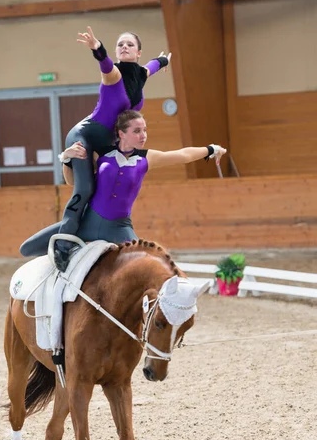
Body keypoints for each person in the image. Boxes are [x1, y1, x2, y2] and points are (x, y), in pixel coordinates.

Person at [20, 26, 171, 270]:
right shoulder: (114, 77)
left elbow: (153, 65)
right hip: (84, 135)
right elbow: (105, 64)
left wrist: (164, 61)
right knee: (86, 186)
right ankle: (64, 244)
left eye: (129, 44)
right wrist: (97, 47)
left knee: (109, 181)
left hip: (107, 141)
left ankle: (96, 226)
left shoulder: (141, 74)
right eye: (120, 44)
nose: (124, 47)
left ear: (138, 52)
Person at [20, 110, 226, 253]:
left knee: (145, 262)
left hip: (119, 228)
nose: (143, 135)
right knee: (28, 248)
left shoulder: (147, 158)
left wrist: (211, 149)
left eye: (145, 130)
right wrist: (66, 159)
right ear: (121, 134)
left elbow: (183, 155)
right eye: (137, 131)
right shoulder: (101, 155)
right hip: (85, 222)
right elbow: (72, 182)